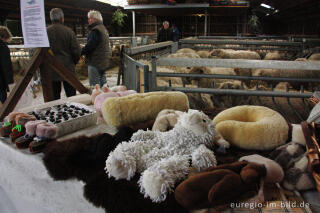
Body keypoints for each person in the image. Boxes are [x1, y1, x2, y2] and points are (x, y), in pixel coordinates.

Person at [47, 8, 81, 100]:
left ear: (51, 18)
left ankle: (57, 113)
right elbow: (76, 51)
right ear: (62, 18)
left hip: (51, 69)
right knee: (71, 96)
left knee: (54, 98)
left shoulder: (46, 32)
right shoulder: (69, 32)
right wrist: (74, 62)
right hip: (68, 68)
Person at [81, 10, 110, 88]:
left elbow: (90, 46)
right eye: (88, 18)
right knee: (103, 84)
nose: (89, 20)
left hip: (95, 62)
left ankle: (98, 99)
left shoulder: (95, 31)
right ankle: (106, 99)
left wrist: (80, 51)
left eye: (90, 18)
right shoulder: (103, 29)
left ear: (96, 19)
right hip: (103, 61)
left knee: (95, 86)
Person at [0, 26, 14, 105]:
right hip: (1, 81)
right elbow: (6, 66)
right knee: (6, 104)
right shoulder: (3, 47)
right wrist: (10, 84)